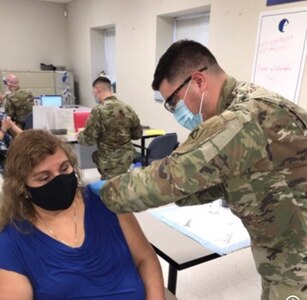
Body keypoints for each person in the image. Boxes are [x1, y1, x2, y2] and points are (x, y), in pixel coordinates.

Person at [100, 40, 307, 300]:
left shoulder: (241, 120)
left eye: (173, 102)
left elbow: (169, 177)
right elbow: (222, 180)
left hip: (298, 264)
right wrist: (181, 195)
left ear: (198, 81)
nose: (176, 111)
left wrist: (106, 192)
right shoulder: (251, 100)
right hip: (283, 254)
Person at [0, 129, 165, 300]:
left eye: (64, 168)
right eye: (44, 178)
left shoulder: (107, 201)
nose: (59, 179)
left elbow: (145, 259)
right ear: (22, 188)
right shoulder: (12, 241)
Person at [77, 76, 143, 179]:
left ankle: (108, 184)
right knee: (95, 156)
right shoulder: (127, 108)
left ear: (98, 90)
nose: (94, 96)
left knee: (96, 157)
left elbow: (88, 140)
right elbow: (137, 134)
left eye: (94, 93)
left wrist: (79, 135)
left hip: (109, 161)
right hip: (128, 158)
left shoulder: (98, 110)